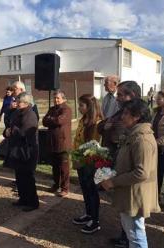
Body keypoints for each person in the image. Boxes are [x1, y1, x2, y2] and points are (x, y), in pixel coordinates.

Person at [101, 99, 161, 248]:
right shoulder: (134, 135)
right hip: (130, 192)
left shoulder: (142, 139)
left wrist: (113, 182)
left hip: (135, 195)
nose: (122, 117)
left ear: (137, 116)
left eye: (126, 113)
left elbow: (141, 173)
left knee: (136, 236)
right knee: (132, 234)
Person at [98, 80, 142, 248]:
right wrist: (106, 126)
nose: (117, 97)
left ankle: (130, 239)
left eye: (122, 94)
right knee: (123, 206)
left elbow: (120, 133)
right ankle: (126, 236)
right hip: (116, 157)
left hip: (127, 164)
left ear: (133, 96)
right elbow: (102, 125)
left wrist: (111, 129)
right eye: (117, 94)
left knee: (131, 211)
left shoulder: (137, 115)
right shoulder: (120, 112)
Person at [72, 94, 103, 234]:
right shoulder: (83, 120)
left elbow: (93, 146)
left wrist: (81, 160)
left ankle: (95, 221)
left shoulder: (97, 123)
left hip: (90, 163)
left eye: (81, 106)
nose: (79, 108)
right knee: (85, 189)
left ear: (89, 107)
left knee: (92, 191)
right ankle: (88, 214)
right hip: (80, 160)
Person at [4, 92, 39, 212]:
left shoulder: (30, 115)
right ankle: (23, 198)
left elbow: (25, 132)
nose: (16, 103)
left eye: (19, 102)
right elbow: (9, 125)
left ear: (26, 103)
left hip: (27, 151)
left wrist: (12, 130)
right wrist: (7, 131)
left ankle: (33, 202)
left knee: (28, 178)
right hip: (18, 150)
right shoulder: (17, 113)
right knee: (19, 177)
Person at [43, 90, 72, 197]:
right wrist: (51, 119)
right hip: (52, 142)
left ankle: (65, 188)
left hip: (63, 143)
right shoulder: (51, 109)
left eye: (58, 98)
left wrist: (51, 119)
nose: (56, 100)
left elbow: (59, 121)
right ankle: (56, 185)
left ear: (63, 99)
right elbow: (44, 121)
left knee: (64, 167)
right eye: (55, 98)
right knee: (54, 166)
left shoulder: (67, 109)